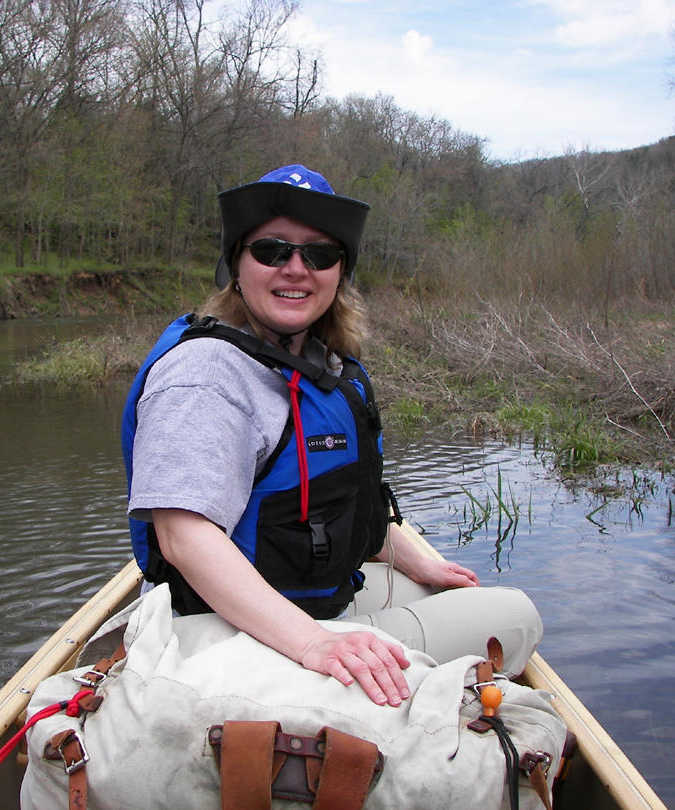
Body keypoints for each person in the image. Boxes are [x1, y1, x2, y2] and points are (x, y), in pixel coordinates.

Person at [122, 164, 542, 708]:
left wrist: (414, 560)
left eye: (319, 254)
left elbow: (335, 505)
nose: (296, 269)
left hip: (304, 609)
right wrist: (315, 643)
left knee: (442, 593)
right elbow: (184, 538)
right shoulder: (206, 374)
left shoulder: (318, 368)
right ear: (236, 265)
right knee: (515, 617)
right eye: (272, 250)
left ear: (339, 273)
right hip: (215, 634)